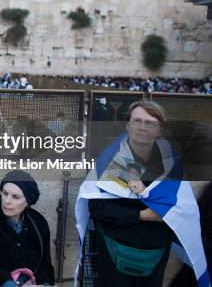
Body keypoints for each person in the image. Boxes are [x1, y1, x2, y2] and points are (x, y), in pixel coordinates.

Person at [75, 100, 210, 287]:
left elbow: (181, 204)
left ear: (160, 129)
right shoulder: (112, 159)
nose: (142, 127)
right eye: (137, 121)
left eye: (151, 123)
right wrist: (142, 215)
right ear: (128, 125)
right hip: (115, 249)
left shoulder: (170, 163)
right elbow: (98, 207)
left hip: (155, 252)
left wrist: (162, 207)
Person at [0, 170, 55, 287]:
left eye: (15, 197)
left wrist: (44, 284)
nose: (7, 201)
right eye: (5, 193)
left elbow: (46, 265)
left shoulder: (39, 223)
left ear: (27, 202)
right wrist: (6, 281)